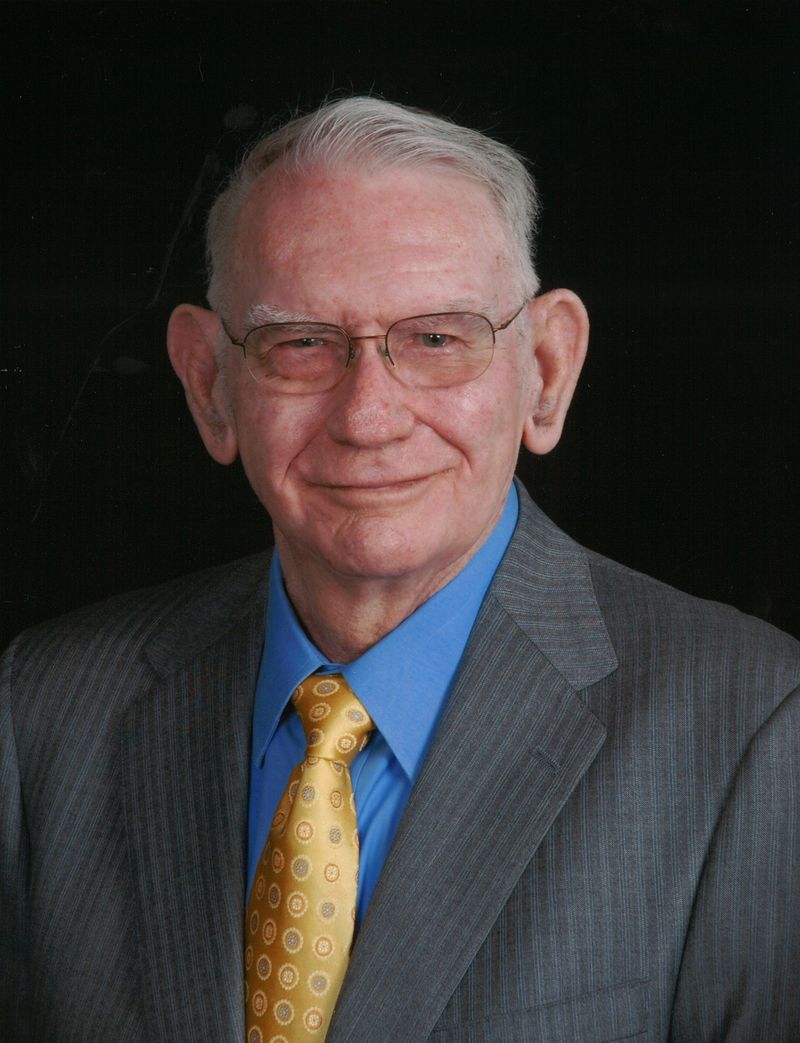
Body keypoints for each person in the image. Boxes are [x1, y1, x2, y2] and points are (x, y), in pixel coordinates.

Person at [2, 97, 798, 1043]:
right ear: (209, 384)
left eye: (436, 339)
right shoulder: (44, 711)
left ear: (546, 371)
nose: (368, 418)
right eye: (302, 343)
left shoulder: (751, 726)